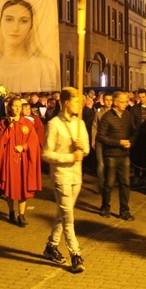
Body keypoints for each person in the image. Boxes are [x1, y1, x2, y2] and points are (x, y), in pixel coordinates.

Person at [41, 87, 90, 273]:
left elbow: (85, 150)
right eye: (77, 101)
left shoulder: (80, 124)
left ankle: (51, 246)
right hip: (61, 175)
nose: (80, 104)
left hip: (76, 176)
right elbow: (46, 153)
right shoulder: (54, 124)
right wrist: (68, 157)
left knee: (63, 214)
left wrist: (80, 147)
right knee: (68, 217)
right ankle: (76, 254)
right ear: (67, 102)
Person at [0, 0, 59, 92]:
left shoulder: (45, 67)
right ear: (0, 22)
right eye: (9, 20)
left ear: (31, 25)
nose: (15, 28)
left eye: (24, 21)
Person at [0, 97, 42, 226]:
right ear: (9, 107)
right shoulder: (3, 123)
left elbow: (33, 141)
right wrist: (9, 127)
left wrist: (24, 147)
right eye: (14, 106)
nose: (17, 108)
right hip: (9, 161)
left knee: (23, 187)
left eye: (19, 106)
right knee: (10, 187)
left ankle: (22, 214)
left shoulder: (27, 123)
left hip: (23, 160)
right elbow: (1, 142)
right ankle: (11, 211)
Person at [97, 91, 136, 221]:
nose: (126, 104)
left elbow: (133, 131)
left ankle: (124, 210)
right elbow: (101, 137)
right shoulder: (107, 117)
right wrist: (118, 143)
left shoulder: (127, 115)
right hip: (111, 155)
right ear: (116, 102)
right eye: (124, 101)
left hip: (125, 155)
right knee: (109, 183)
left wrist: (130, 141)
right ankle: (105, 207)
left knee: (125, 183)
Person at [91, 93, 114, 193]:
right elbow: (94, 127)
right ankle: (101, 184)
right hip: (100, 140)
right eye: (107, 100)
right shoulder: (99, 113)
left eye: (110, 100)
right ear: (103, 101)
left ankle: (109, 183)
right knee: (100, 163)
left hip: (111, 141)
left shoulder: (114, 113)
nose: (108, 102)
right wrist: (93, 139)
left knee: (110, 163)